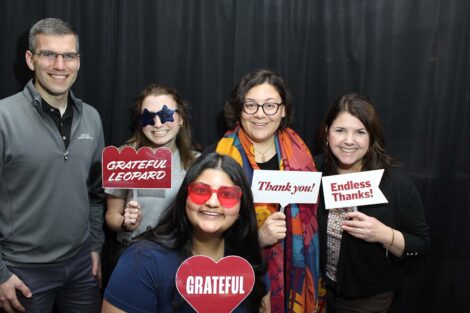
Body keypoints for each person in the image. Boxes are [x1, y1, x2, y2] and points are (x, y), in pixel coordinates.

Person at [0, 18, 104, 312]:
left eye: (69, 55)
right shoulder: (3, 118)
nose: (60, 65)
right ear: (30, 59)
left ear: (78, 61)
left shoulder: (92, 118)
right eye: (49, 54)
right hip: (22, 272)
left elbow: (96, 192)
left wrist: (95, 246)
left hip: (81, 268)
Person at [204, 69, 324, 312]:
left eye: (270, 106)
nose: (260, 114)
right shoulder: (216, 157)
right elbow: (203, 233)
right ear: (239, 110)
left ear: (283, 110)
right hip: (237, 278)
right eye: (251, 105)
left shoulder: (302, 155)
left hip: (296, 278)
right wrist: (257, 239)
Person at [102, 153, 270, 312]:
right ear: (185, 198)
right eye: (201, 191)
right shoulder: (142, 261)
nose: (212, 202)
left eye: (227, 194)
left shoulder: (250, 260)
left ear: (241, 208)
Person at [316, 93, 430, 312]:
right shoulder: (312, 171)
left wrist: (384, 234)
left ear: (371, 137)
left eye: (360, 132)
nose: (349, 140)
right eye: (340, 130)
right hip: (317, 291)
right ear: (327, 132)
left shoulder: (395, 183)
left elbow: (421, 245)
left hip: (368, 299)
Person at [105, 84, 198, 255]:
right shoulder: (123, 157)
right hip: (131, 252)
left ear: (181, 119)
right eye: (148, 117)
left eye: (165, 115)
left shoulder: (196, 163)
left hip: (176, 254)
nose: (157, 123)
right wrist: (126, 223)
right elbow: (111, 215)